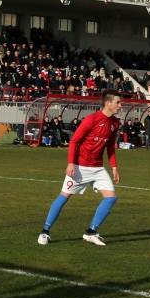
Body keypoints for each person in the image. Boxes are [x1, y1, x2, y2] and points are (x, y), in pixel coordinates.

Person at [38, 93, 122, 246]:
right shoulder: (91, 120)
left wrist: (114, 167)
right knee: (64, 197)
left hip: (98, 168)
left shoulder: (115, 123)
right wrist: (71, 163)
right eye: (118, 102)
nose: (120, 105)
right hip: (80, 167)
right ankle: (45, 232)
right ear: (108, 103)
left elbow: (110, 147)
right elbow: (74, 141)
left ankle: (91, 232)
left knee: (111, 198)